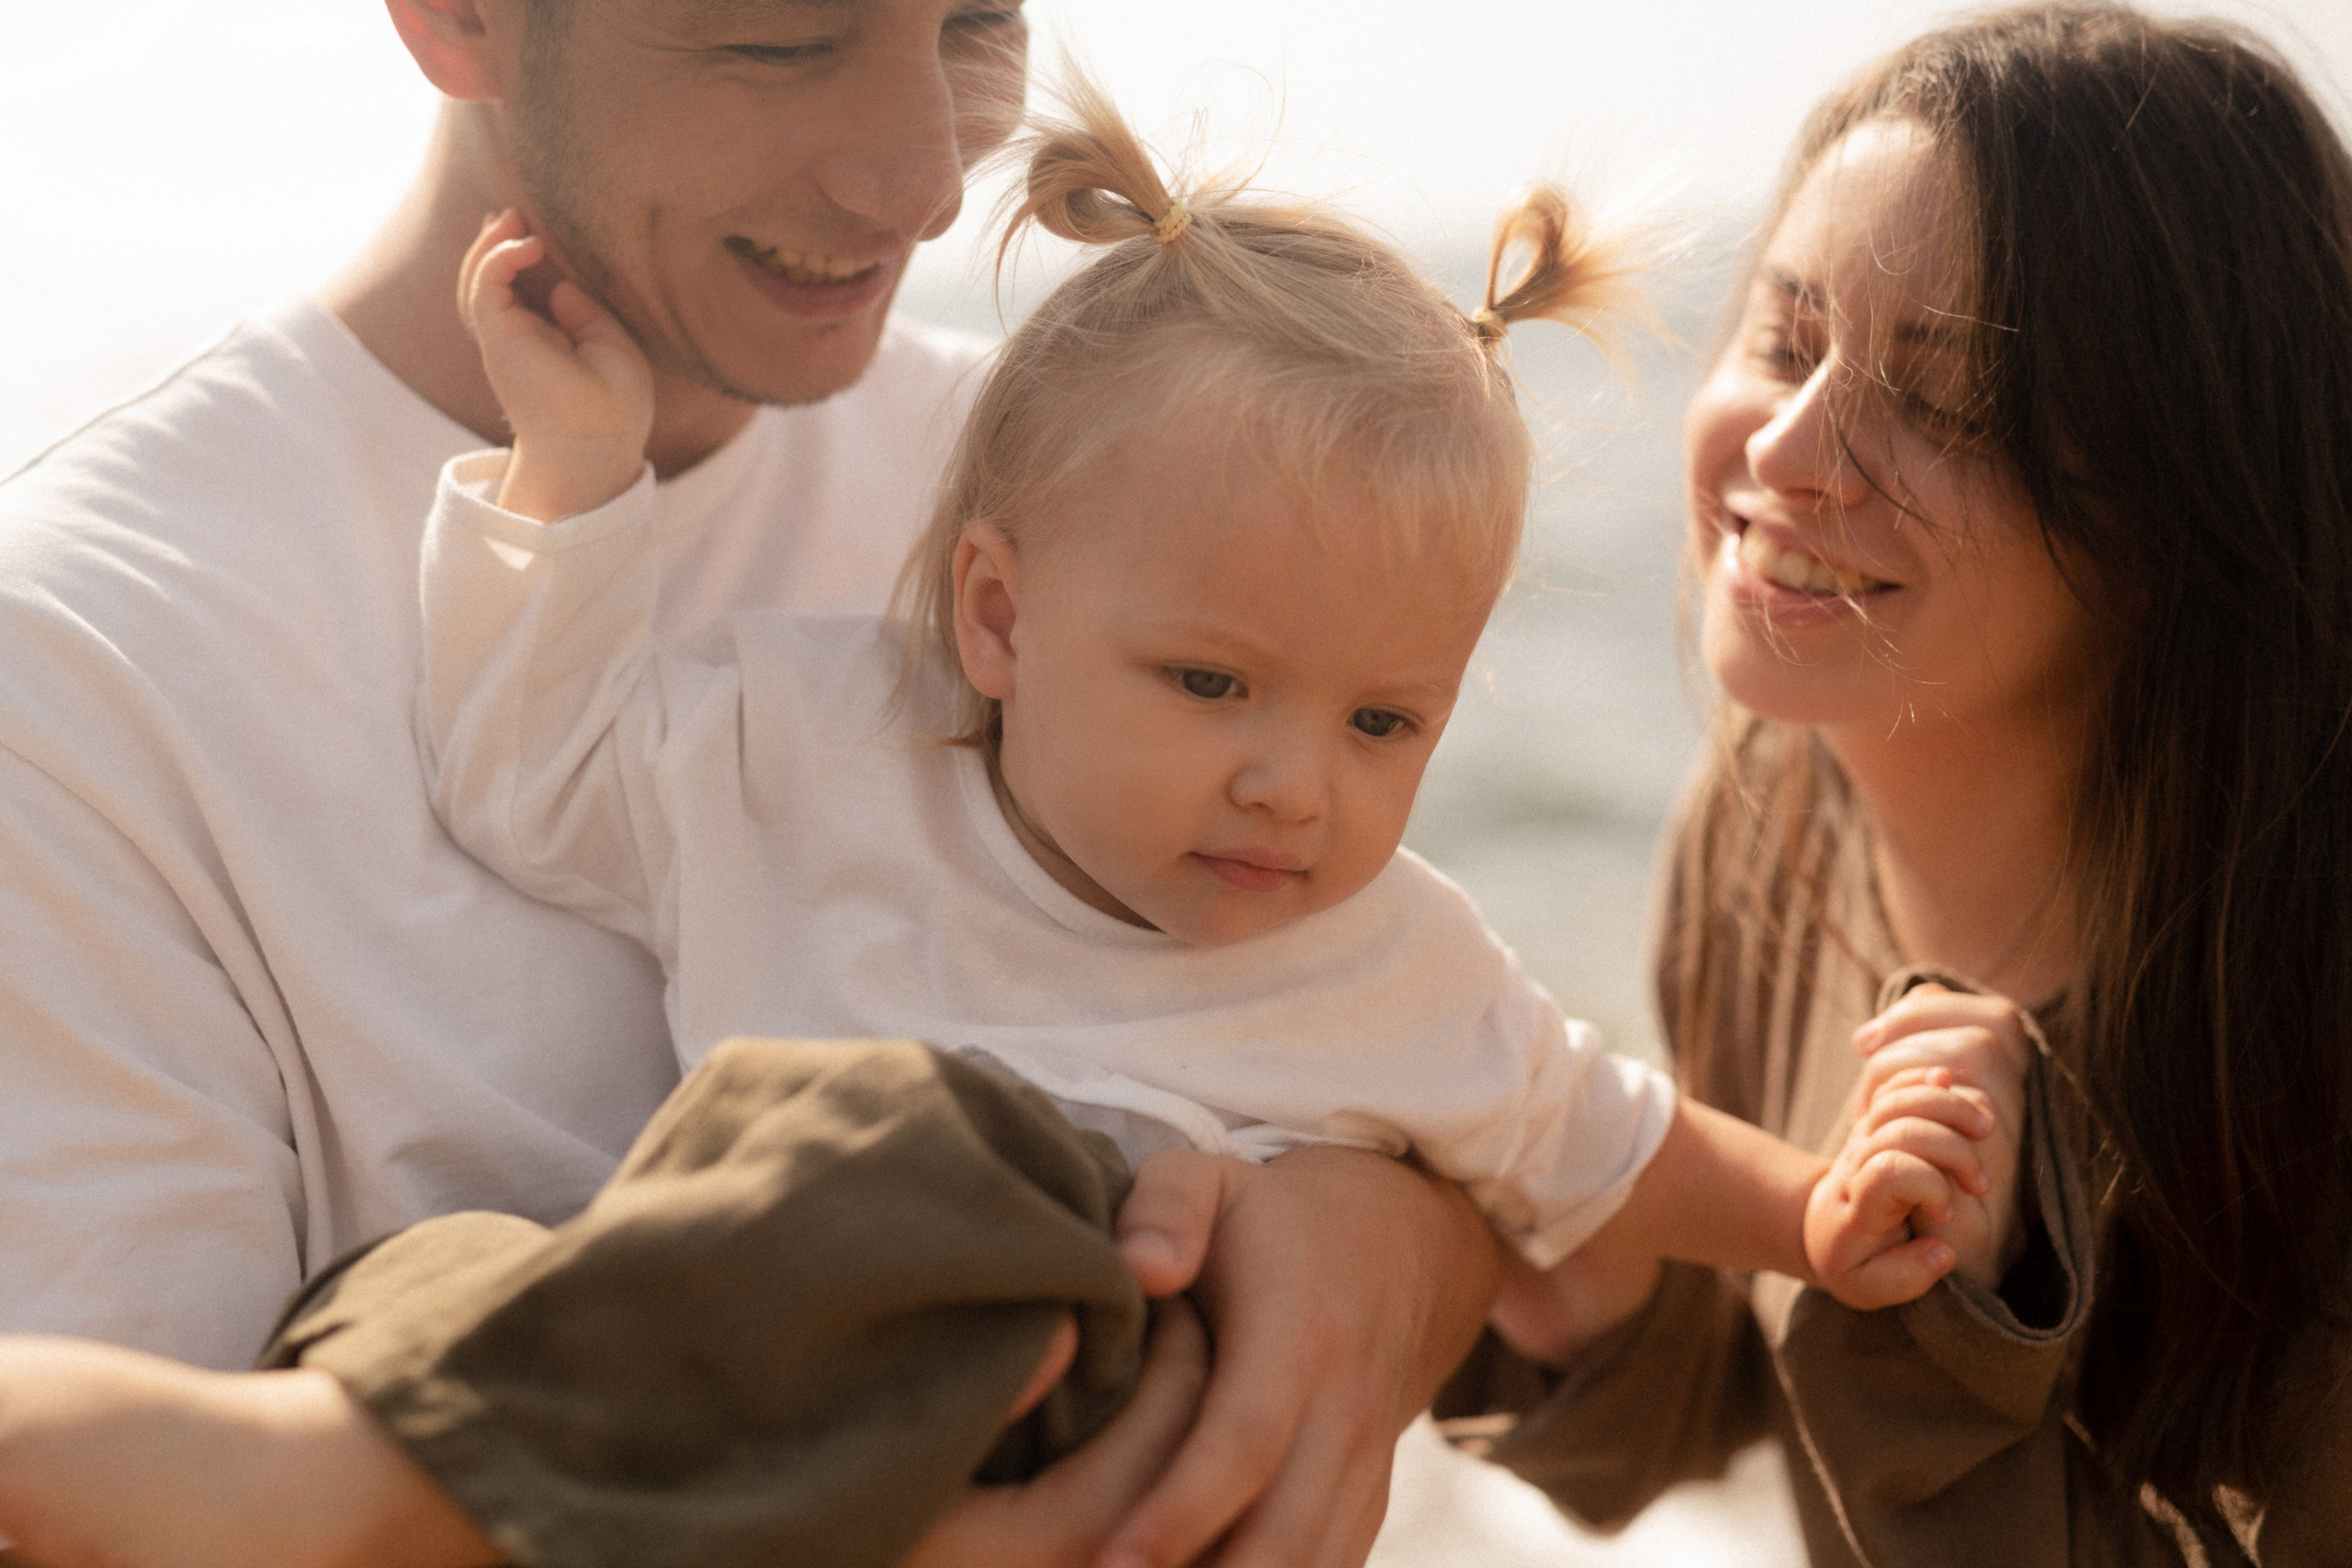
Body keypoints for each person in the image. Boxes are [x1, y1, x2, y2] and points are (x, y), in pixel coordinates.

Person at [0, 1, 1508, 1563]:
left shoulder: (1095, 492)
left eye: (976, 21)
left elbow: (1414, 1045)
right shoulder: (78, 662)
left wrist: (1387, 1253)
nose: (925, 179)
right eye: (784, 40)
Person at [1439, 4, 2352, 1562]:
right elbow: (1760, 1374)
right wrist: (1577, 1295)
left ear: (2186, 506)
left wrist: (1953, 1318)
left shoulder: (2303, 1045)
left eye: (1939, 404)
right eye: (1787, 340)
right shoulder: (1762, 832)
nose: (1789, 447)